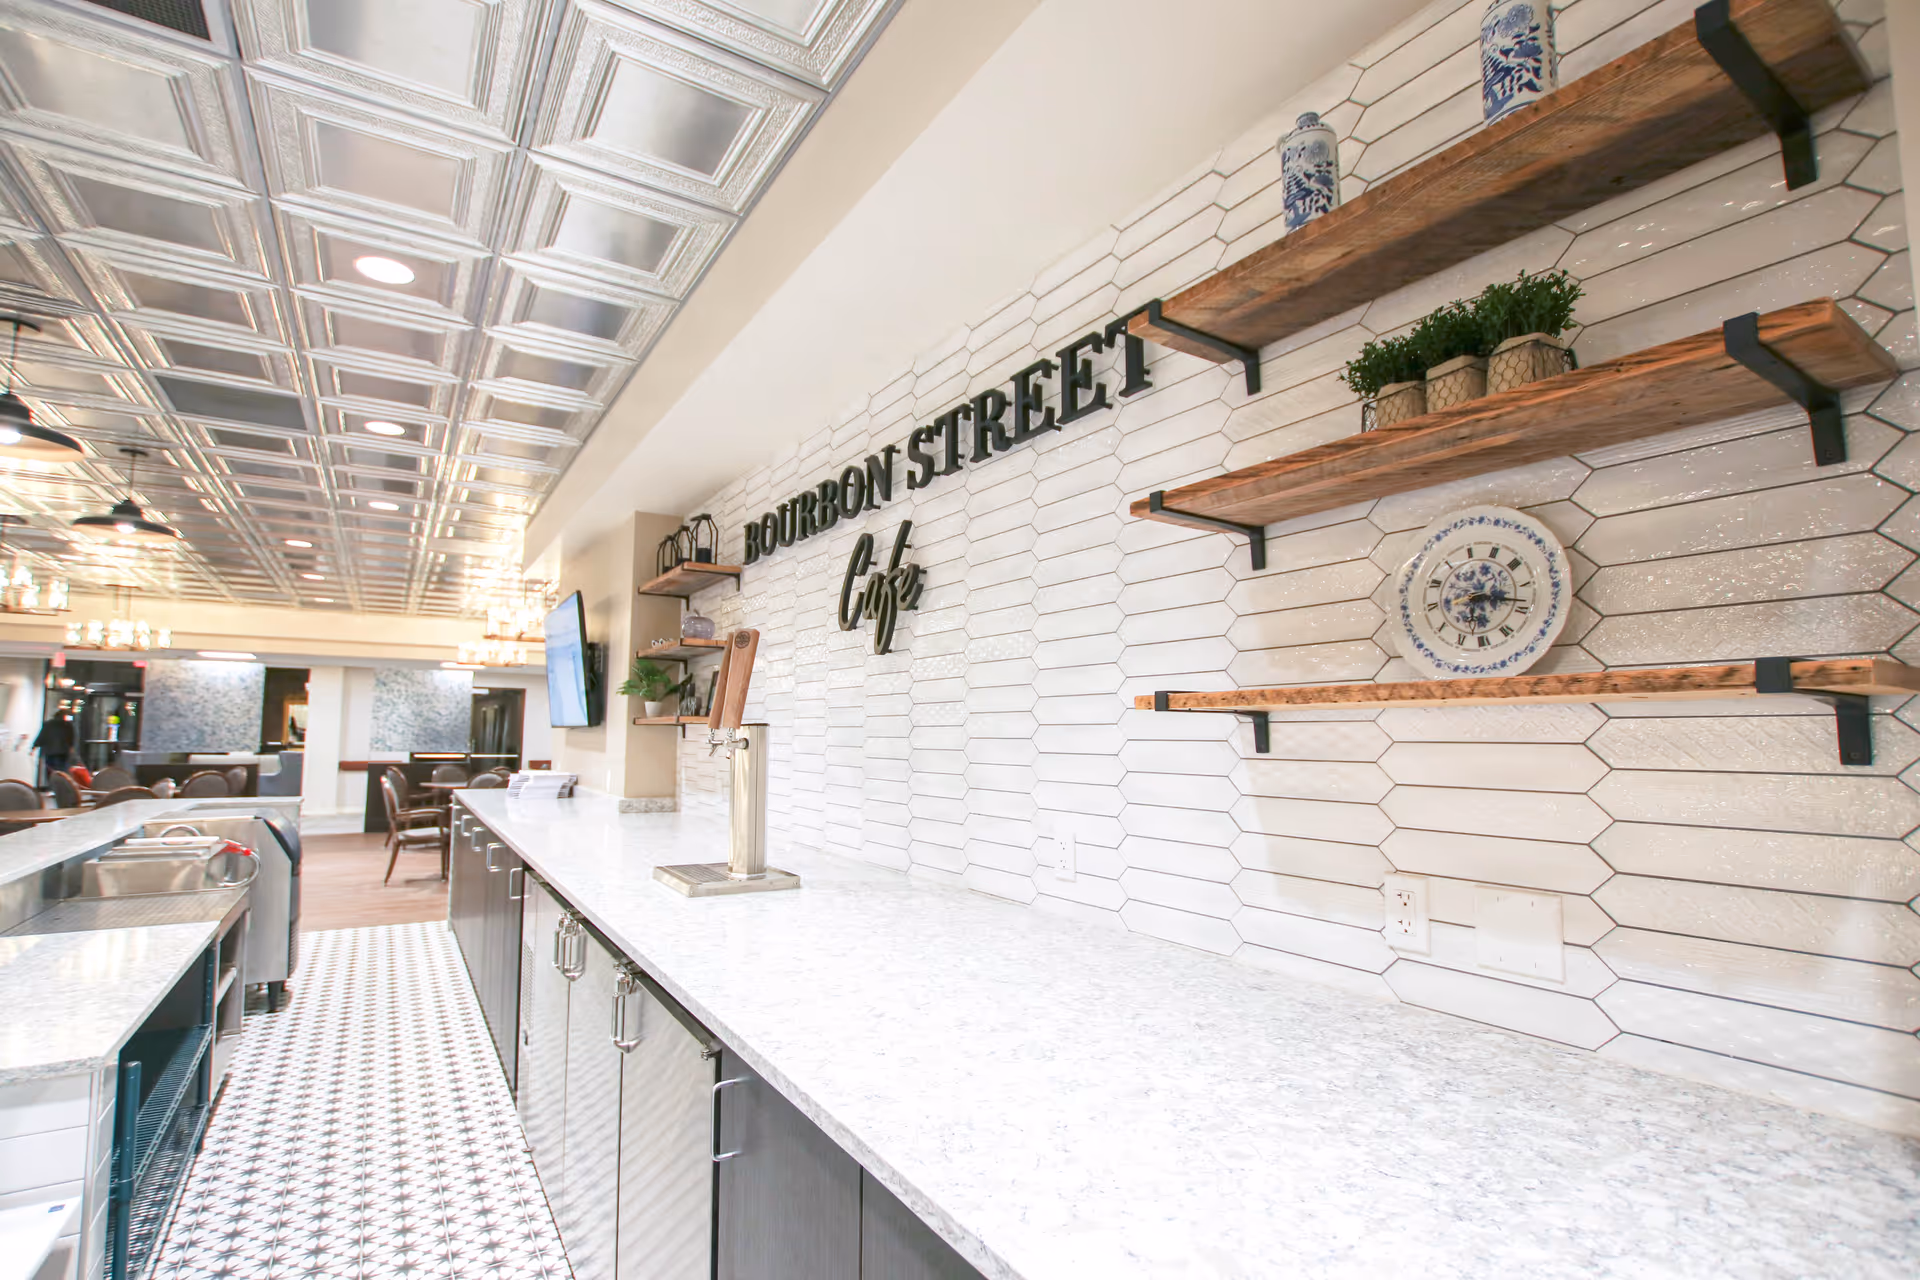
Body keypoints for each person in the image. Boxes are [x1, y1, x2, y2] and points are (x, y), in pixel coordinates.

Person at [32, 713, 75, 783]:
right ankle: (60, 787)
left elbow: (42, 736)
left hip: (49, 752)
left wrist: (34, 746)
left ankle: (51, 787)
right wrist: (71, 747)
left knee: (50, 771)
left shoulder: (47, 724)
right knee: (61, 771)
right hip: (63, 752)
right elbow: (71, 738)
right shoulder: (67, 725)